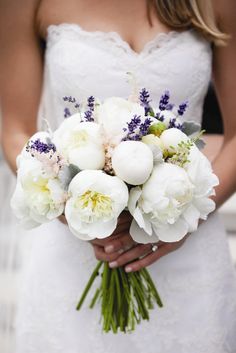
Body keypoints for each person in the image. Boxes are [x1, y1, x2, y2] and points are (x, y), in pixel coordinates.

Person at [1, 0, 236, 352]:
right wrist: (72, 204)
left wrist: (188, 216)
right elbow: (15, 131)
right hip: (73, 251)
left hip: (189, 249)